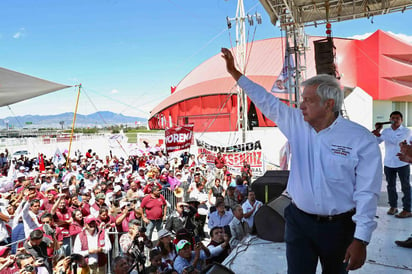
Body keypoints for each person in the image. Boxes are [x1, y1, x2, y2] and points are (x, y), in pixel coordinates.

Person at [221, 47, 382, 273]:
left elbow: (367, 192)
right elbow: (265, 100)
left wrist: (361, 239)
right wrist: (234, 73)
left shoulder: (361, 139)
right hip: (298, 222)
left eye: (308, 100)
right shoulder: (296, 122)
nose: (301, 105)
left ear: (328, 105)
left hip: (339, 227)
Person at [372, 111, 412, 218]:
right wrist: (378, 130)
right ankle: (393, 206)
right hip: (389, 163)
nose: (395, 120)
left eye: (397, 118)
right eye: (393, 118)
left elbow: (398, 141)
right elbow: (376, 142)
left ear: (401, 120)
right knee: (390, 186)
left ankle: (408, 209)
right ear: (389, 119)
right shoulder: (386, 131)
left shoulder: (406, 131)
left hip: (402, 162)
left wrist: (380, 135)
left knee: (405, 186)